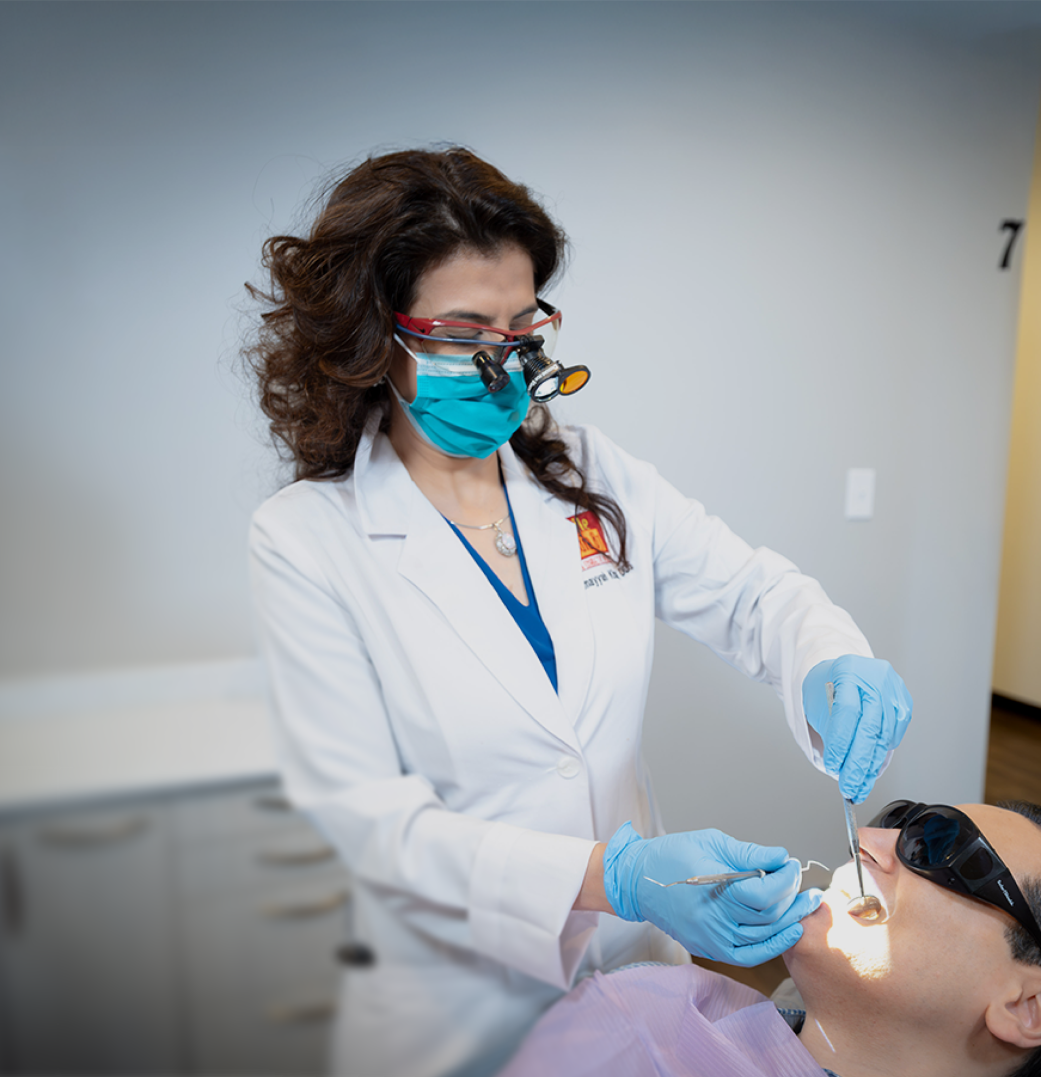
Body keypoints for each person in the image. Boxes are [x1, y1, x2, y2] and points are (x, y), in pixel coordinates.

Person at [244, 146, 914, 1077]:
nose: (502, 364)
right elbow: (374, 825)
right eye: (462, 334)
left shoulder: (587, 470)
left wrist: (825, 660)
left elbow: (754, 594)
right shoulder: (308, 538)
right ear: (371, 338)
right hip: (457, 1006)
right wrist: (617, 878)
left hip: (635, 979)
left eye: (520, 328)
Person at [498, 800, 1041, 1077]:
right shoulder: (645, 1025)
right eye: (894, 819)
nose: (867, 841)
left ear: (1027, 1006)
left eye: (941, 845)